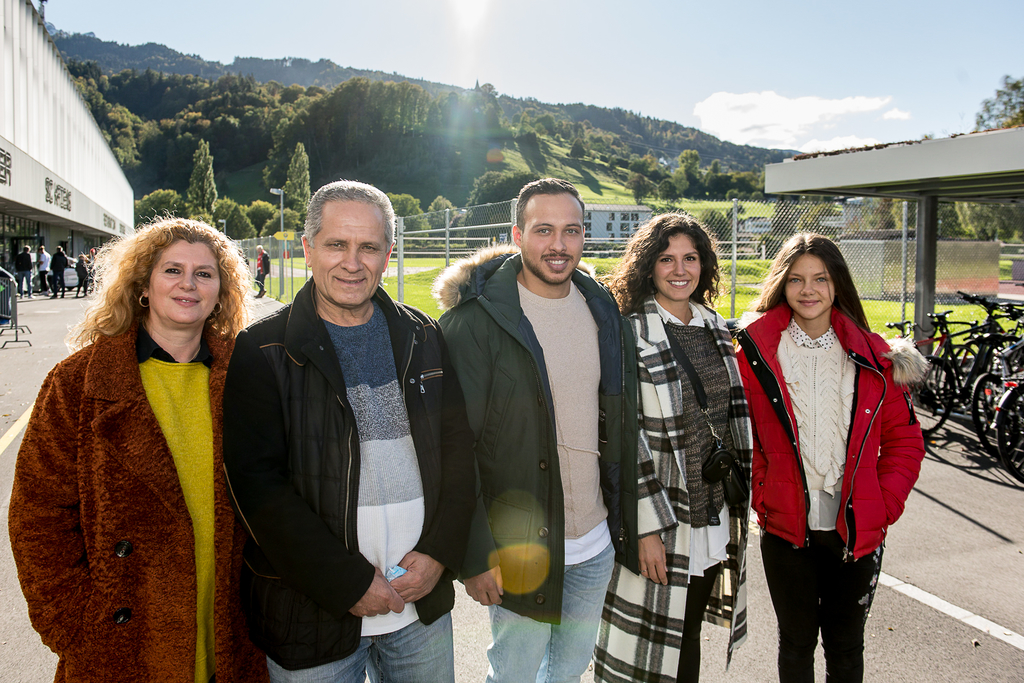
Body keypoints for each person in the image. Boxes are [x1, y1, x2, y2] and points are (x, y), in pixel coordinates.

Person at [223, 180, 476, 682]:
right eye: (337, 244)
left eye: (369, 247)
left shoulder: (424, 336)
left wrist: (439, 555)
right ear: (309, 248)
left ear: (388, 254)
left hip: (418, 607)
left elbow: (458, 454)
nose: (352, 262)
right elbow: (257, 487)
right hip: (313, 615)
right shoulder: (263, 350)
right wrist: (347, 583)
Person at [8, 218, 268, 683]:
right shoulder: (78, 383)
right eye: (172, 270)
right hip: (122, 646)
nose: (188, 284)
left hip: (232, 637)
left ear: (220, 293)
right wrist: (79, 632)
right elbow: (38, 517)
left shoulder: (250, 377)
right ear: (143, 285)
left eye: (204, 274)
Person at [433, 178, 639, 683]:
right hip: (519, 546)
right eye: (543, 230)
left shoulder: (601, 309)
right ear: (517, 233)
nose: (558, 244)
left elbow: (616, 423)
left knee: (568, 672)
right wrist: (476, 554)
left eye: (571, 231)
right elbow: (452, 451)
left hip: (593, 541)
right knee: (516, 675)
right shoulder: (474, 324)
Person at [734, 233, 926, 683]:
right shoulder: (755, 355)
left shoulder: (878, 356)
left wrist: (885, 502)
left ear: (837, 283)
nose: (808, 290)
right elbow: (746, 440)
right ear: (782, 285)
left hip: (857, 528)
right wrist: (764, 493)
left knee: (845, 647)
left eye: (820, 278)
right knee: (796, 644)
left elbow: (905, 441)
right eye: (797, 279)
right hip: (785, 528)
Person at [595, 213, 752, 683]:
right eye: (666, 259)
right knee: (646, 649)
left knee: (686, 642)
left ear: (704, 264)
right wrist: (645, 529)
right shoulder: (629, 332)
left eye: (690, 258)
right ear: (648, 266)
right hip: (660, 519)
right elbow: (623, 436)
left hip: (710, 514)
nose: (679, 269)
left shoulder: (717, 329)